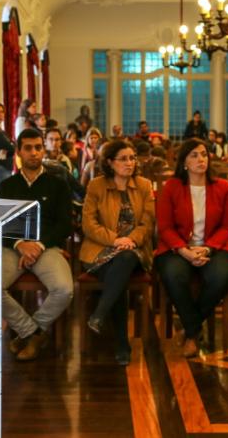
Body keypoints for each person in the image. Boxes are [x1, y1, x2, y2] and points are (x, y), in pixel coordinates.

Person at [0, 128, 74, 361]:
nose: (34, 153)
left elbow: (65, 225)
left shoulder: (58, 184)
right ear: (19, 152)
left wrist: (39, 245)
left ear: (43, 149)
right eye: (28, 148)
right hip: (14, 248)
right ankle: (31, 332)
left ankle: (33, 330)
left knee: (64, 290)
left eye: (38, 147)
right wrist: (21, 244)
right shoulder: (7, 186)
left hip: (47, 248)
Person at [155, 139, 228, 357]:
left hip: (214, 247)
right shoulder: (172, 187)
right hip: (177, 249)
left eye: (203, 154)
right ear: (184, 162)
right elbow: (164, 227)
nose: (201, 159)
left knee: (221, 277)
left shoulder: (223, 187)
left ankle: (190, 332)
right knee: (174, 276)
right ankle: (194, 331)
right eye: (194, 155)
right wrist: (184, 251)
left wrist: (207, 249)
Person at [81, 140, 156, 365]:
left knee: (124, 260)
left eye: (132, 158)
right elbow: (88, 223)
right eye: (123, 159)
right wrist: (115, 240)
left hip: (135, 249)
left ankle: (99, 315)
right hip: (100, 249)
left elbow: (148, 222)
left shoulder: (143, 185)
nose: (129, 163)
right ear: (110, 162)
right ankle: (121, 344)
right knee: (119, 276)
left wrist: (130, 240)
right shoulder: (96, 186)